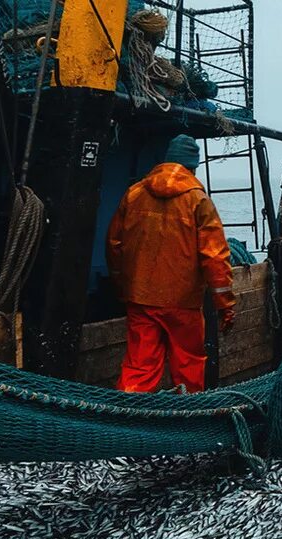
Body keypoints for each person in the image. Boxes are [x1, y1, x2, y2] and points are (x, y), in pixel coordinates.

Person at [106, 134, 235, 393]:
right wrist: (226, 306)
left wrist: (124, 287)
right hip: (183, 304)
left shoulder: (134, 194)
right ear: (192, 167)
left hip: (141, 299)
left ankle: (128, 420)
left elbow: (114, 245)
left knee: (139, 368)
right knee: (187, 366)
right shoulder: (198, 200)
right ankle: (184, 421)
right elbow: (215, 257)